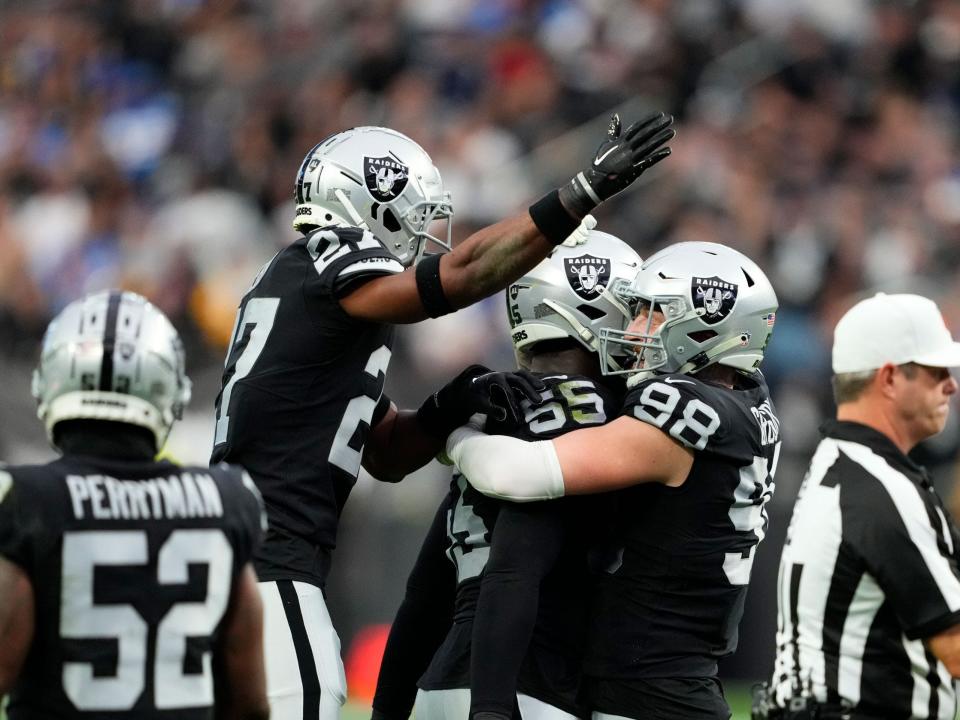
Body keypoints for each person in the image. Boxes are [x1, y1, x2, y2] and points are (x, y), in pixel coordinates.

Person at [209, 113, 675, 720]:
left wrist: (448, 406)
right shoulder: (330, 256)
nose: (428, 232)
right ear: (370, 201)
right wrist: (580, 193)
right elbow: (455, 278)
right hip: (270, 558)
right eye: (415, 209)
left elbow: (387, 452)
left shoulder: (314, 308)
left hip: (256, 553)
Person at [445, 241, 782, 720]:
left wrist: (455, 434)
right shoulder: (748, 399)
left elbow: (515, 474)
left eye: (652, 314)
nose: (632, 328)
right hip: (675, 672)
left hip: (647, 686)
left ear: (708, 323)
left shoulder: (687, 408)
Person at [371, 230, 642, 720]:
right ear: (592, 310)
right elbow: (515, 568)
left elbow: (423, 597)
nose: (642, 329)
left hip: (444, 685)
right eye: (634, 309)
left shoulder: (496, 404)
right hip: (527, 688)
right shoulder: (597, 410)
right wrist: (492, 709)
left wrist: (387, 713)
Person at [0, 290, 268, 720]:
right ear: (167, 390)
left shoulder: (28, 501)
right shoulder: (226, 500)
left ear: (53, 379)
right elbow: (250, 704)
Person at [759, 293, 960, 720]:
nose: (951, 384)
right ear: (889, 379)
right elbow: (955, 647)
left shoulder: (841, 461)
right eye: (935, 370)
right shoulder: (881, 487)